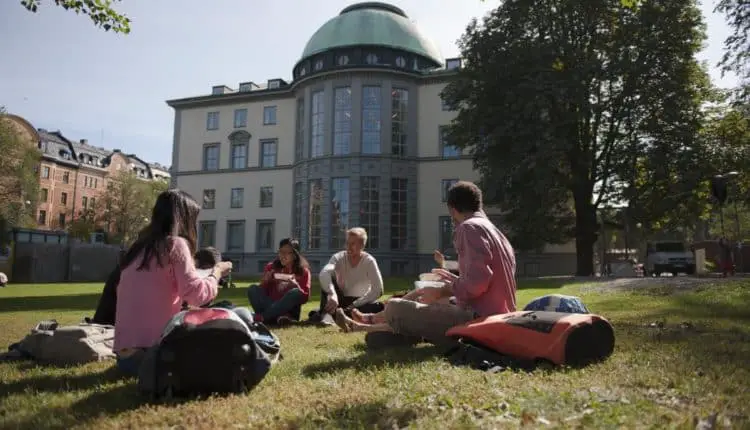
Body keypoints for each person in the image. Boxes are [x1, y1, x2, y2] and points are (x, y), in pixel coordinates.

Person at [334, 181, 517, 348]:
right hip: (498, 315)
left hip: (479, 319)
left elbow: (478, 283)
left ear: (452, 209)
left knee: (397, 307)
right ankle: (367, 324)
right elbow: (487, 280)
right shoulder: (495, 232)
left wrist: (445, 290)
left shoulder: (468, 228)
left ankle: (371, 325)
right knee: (421, 295)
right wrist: (453, 280)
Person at [113, 189, 233, 376]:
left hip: (125, 359)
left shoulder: (139, 248)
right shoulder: (175, 245)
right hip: (154, 356)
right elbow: (197, 295)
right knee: (230, 315)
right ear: (184, 220)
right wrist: (217, 271)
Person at [310, 227, 385, 325]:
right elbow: (324, 272)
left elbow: (378, 290)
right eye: (347, 243)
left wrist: (355, 304)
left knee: (376, 307)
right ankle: (331, 316)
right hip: (340, 299)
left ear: (362, 246)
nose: (348, 247)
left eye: (353, 244)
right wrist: (332, 293)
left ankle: (330, 315)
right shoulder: (338, 257)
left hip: (361, 302)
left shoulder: (369, 261)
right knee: (328, 280)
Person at [247, 238, 311, 324]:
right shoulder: (271, 267)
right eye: (280, 252)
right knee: (253, 289)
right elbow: (262, 292)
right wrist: (265, 281)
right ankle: (275, 317)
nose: (282, 255)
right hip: (270, 304)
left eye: (286, 253)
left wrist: (296, 285)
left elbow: (305, 298)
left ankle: (263, 317)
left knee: (296, 292)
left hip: (290, 310)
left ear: (295, 255)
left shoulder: (303, 271)